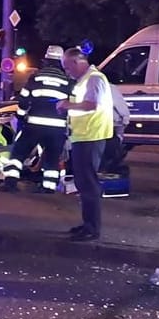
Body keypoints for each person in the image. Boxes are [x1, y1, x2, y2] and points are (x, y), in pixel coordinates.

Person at [57, 47, 113, 242]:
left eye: (67, 67)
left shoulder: (95, 79)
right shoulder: (84, 81)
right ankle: (87, 224)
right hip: (83, 137)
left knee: (88, 184)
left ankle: (92, 228)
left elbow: (91, 105)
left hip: (91, 136)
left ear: (76, 62)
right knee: (83, 183)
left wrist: (66, 105)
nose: (67, 71)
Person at [1, 45, 70, 193]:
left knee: (19, 153)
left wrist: (20, 117)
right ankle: (48, 188)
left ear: (46, 60)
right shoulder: (67, 80)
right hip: (57, 128)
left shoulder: (37, 77)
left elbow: (24, 99)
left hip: (34, 125)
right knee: (52, 158)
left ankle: (10, 182)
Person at [100, 84, 131, 174]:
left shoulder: (81, 85)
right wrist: (125, 119)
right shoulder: (108, 87)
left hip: (99, 126)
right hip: (110, 125)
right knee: (110, 153)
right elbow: (120, 105)